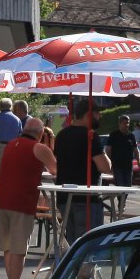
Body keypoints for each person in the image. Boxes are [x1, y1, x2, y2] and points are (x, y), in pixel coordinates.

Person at [0, 116, 56, 279]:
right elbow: (55, 169)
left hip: (1, 199)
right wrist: (50, 147)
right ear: (41, 133)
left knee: (8, 247)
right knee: (19, 248)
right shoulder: (39, 148)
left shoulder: (10, 144)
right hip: (21, 201)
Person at [51, 99, 113, 244]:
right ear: (88, 115)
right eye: (97, 113)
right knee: (88, 245)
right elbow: (105, 167)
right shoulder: (90, 136)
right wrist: (103, 152)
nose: (100, 117)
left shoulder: (61, 135)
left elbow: (57, 162)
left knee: (72, 243)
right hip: (87, 197)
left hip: (65, 197)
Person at [0, 97, 22, 179]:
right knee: (9, 173)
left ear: (0, 107)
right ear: (11, 107)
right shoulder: (17, 120)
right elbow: (20, 138)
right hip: (12, 148)